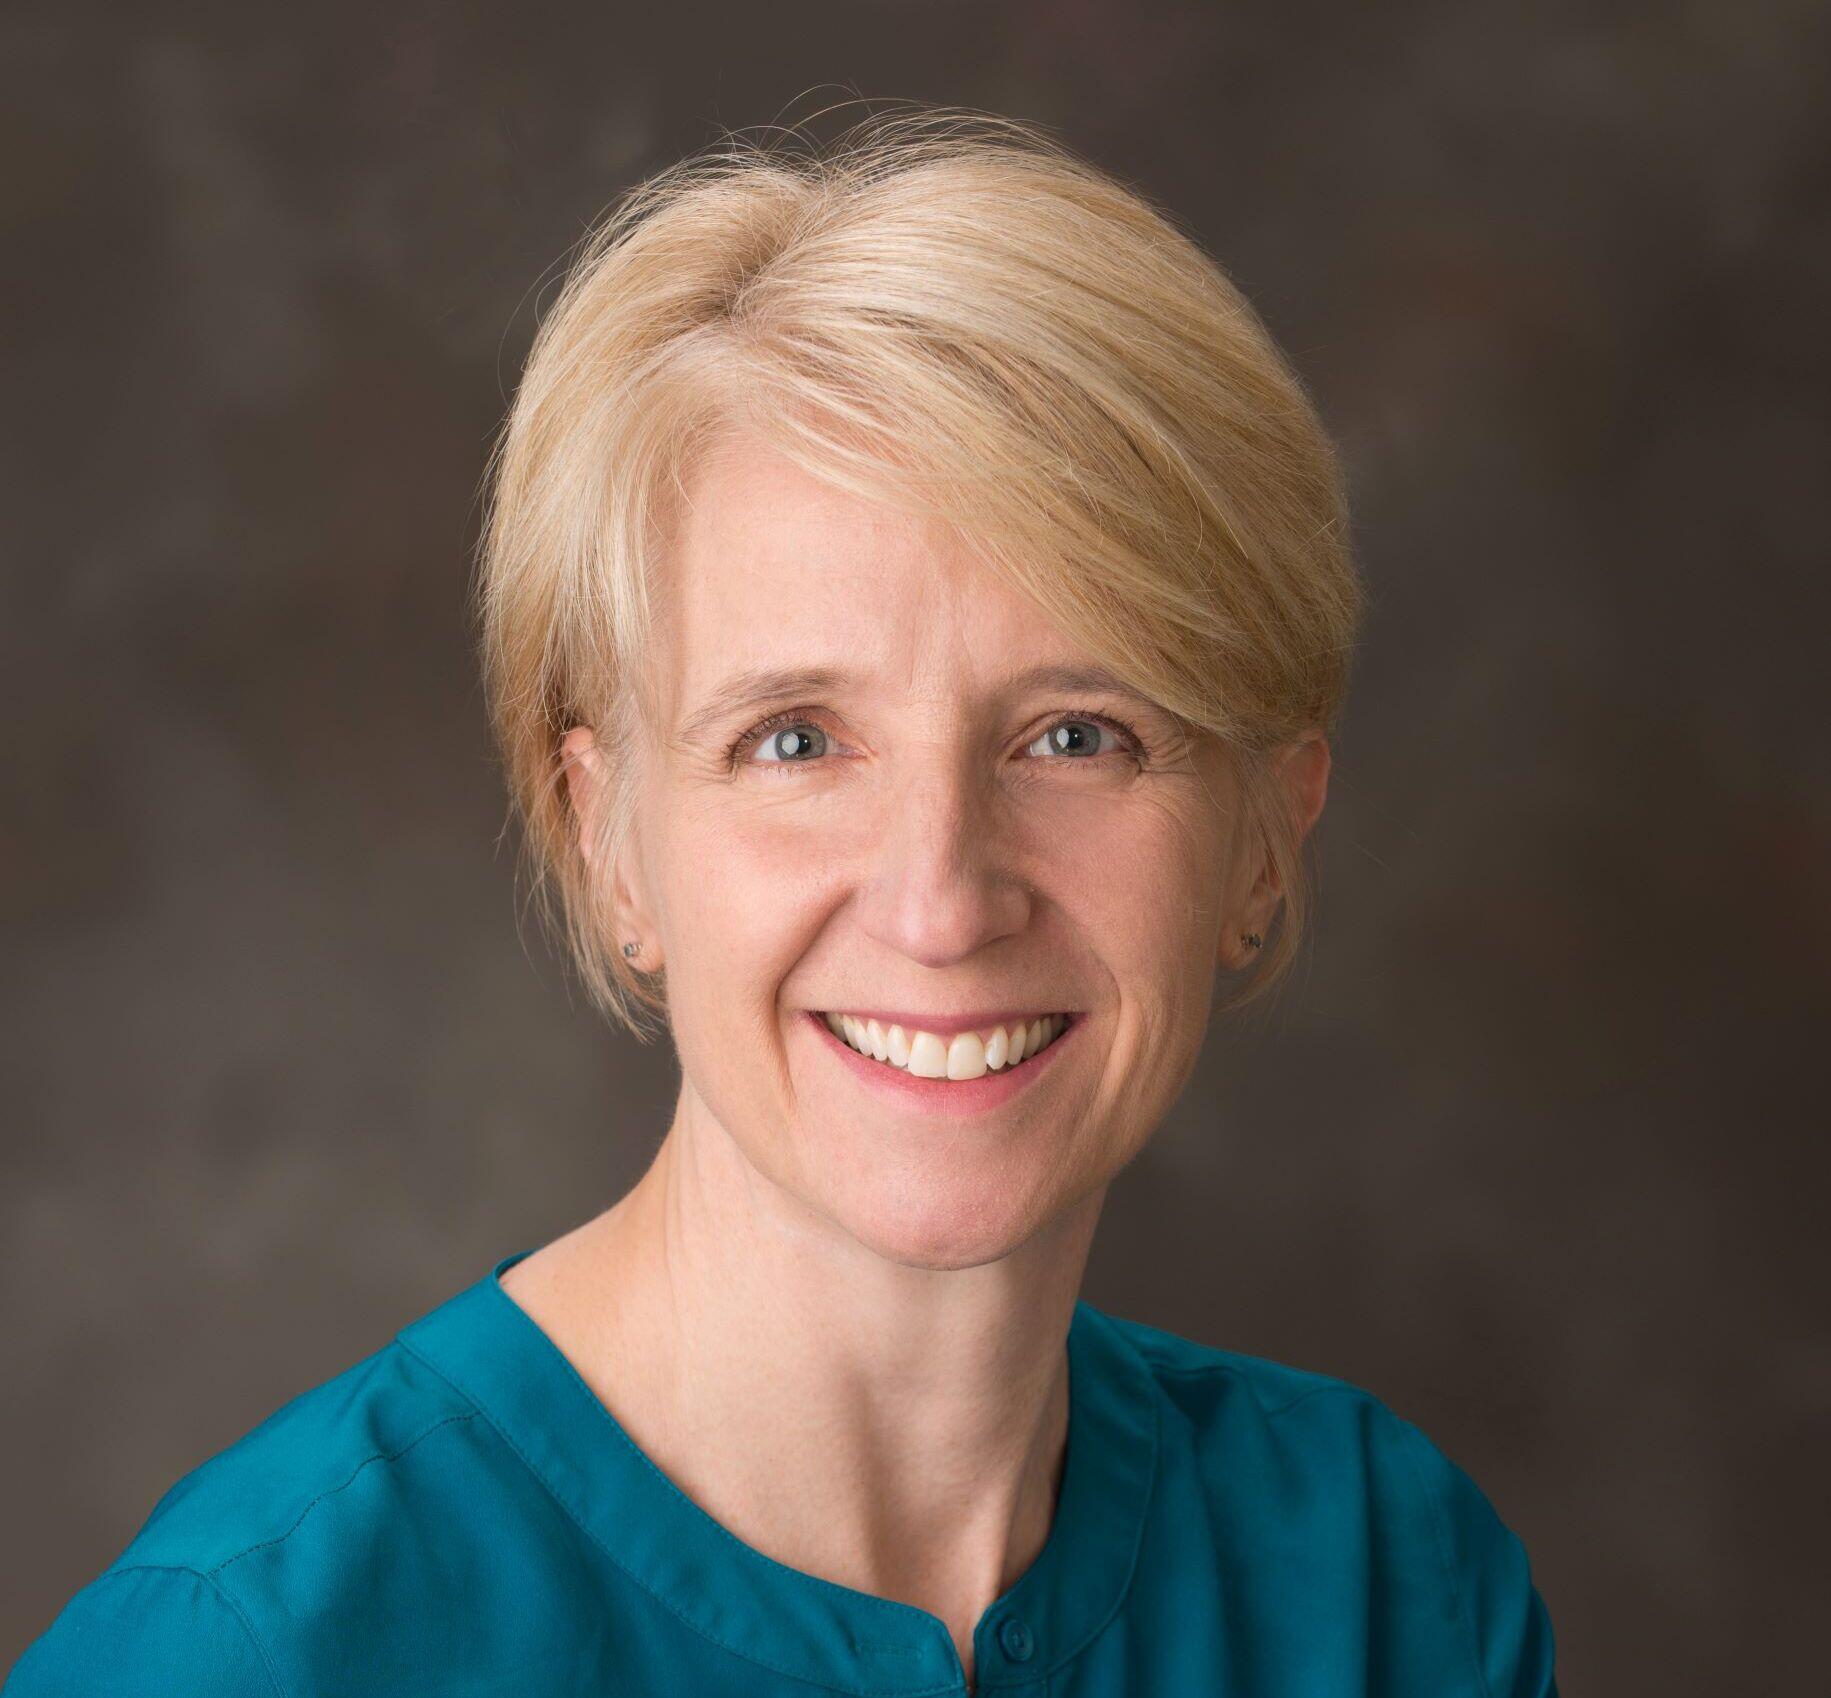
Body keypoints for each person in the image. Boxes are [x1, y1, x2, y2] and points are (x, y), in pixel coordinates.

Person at [4, 107, 1558, 1696]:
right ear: (607, 834)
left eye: (1077, 734)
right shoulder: (251, 1651)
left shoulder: (1383, 1589)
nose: (942, 897)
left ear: (1262, 840)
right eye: (795, 739)